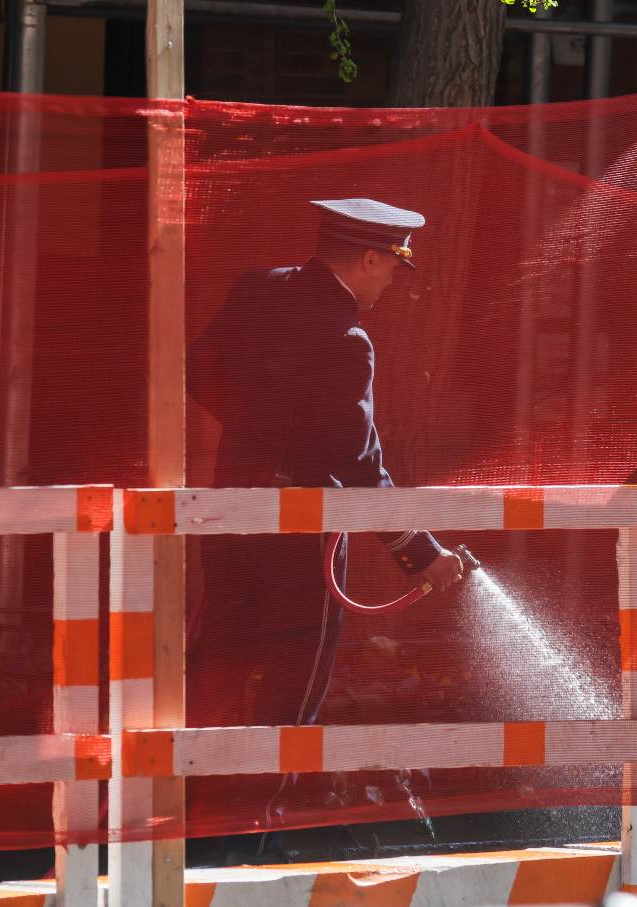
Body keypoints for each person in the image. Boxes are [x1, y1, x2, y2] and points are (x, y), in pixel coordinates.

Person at [186, 199, 465, 855]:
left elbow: (199, 369)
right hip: (302, 542)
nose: (392, 282)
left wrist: (259, 435)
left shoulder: (258, 288)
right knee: (290, 694)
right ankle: (245, 839)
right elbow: (360, 463)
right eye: (391, 266)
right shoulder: (347, 337)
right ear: (369, 258)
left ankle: (178, 824)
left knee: (213, 668)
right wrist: (423, 554)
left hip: (230, 517)